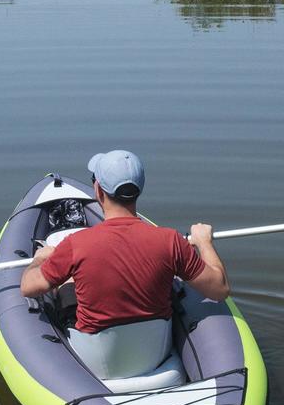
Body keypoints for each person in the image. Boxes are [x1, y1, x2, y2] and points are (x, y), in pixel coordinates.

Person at [20, 151, 230, 379]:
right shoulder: (171, 241)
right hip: (153, 355)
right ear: (139, 189)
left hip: (95, 361)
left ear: (98, 190)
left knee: (67, 282)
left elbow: (28, 288)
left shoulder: (75, 245)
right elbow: (219, 289)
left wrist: (39, 260)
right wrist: (204, 243)